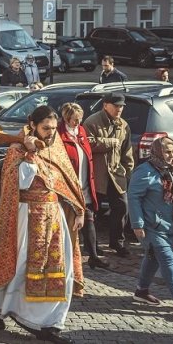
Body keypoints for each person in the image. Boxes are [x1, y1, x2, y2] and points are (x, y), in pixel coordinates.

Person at [0, 105, 85, 344]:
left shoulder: (56, 147)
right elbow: (19, 183)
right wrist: (29, 154)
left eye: (52, 128)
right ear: (33, 126)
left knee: (63, 268)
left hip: (54, 214)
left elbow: (68, 181)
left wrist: (79, 209)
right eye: (45, 128)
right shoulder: (16, 149)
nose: (50, 132)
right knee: (20, 267)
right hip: (27, 214)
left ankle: (50, 323)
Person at [127, 136, 173, 313]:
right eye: (167, 151)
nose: (170, 155)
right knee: (168, 260)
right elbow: (133, 197)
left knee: (152, 258)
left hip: (171, 225)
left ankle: (141, 291)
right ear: (157, 151)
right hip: (152, 226)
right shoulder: (144, 171)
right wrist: (137, 224)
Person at [84, 92, 134, 257]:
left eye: (121, 106)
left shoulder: (124, 125)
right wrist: (109, 142)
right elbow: (86, 144)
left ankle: (117, 242)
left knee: (122, 207)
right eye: (116, 105)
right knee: (94, 212)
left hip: (116, 174)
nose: (119, 109)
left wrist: (128, 171)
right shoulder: (92, 122)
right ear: (106, 105)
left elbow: (127, 151)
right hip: (97, 176)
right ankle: (92, 244)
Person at [59, 103, 107, 269]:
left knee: (89, 219)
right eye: (74, 120)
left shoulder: (81, 132)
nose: (77, 123)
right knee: (68, 222)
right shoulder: (59, 135)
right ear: (66, 118)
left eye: (80, 120)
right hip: (68, 187)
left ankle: (93, 255)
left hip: (84, 183)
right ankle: (66, 256)